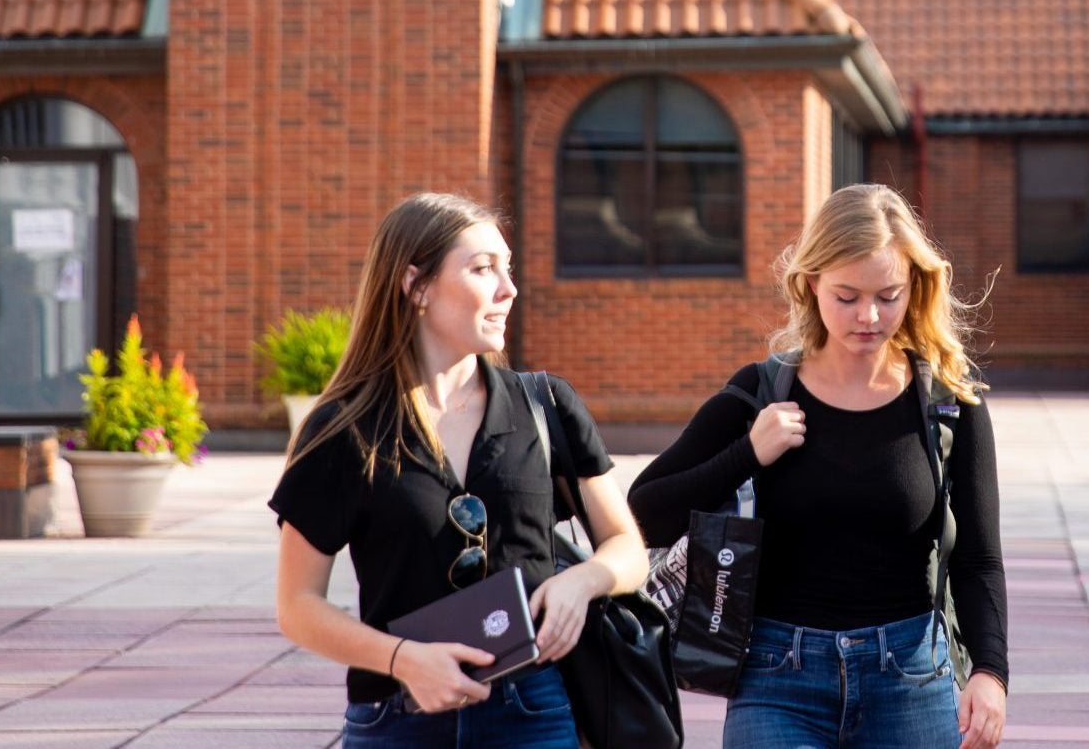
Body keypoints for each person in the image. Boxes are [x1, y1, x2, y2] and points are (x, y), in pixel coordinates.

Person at [629, 183, 1008, 749]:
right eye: (847, 296)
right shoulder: (759, 393)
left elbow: (978, 558)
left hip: (909, 676)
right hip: (775, 678)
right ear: (811, 285)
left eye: (888, 295)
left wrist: (990, 672)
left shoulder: (948, 405)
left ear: (916, 287)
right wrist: (747, 455)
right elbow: (644, 513)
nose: (869, 316)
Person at [269, 192, 649, 748]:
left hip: (533, 710)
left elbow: (627, 547)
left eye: (508, 268)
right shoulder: (342, 429)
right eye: (482, 269)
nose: (508, 289)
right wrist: (405, 661)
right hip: (397, 716)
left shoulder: (546, 405)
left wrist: (580, 583)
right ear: (415, 286)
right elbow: (297, 607)